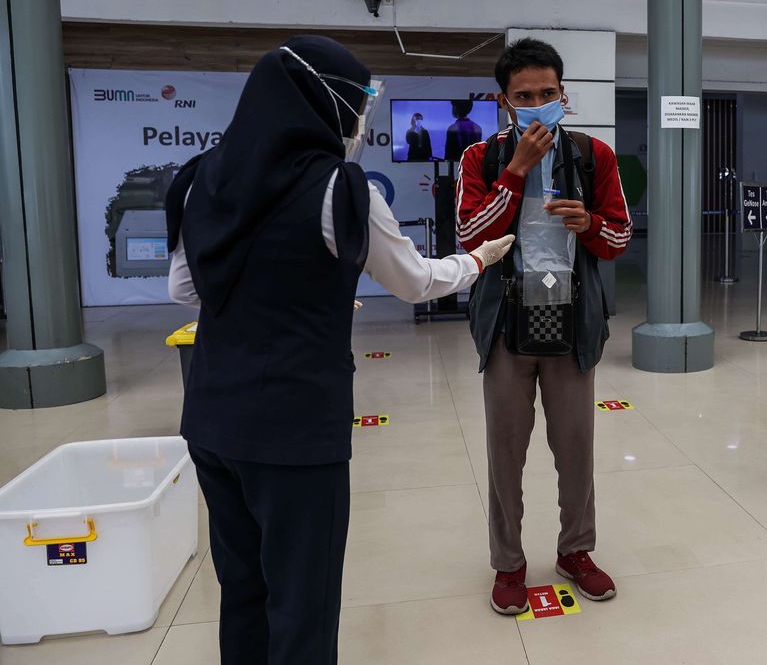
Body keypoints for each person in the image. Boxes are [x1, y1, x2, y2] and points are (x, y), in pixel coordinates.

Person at [165, 36, 513, 665]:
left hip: (212, 418)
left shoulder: (200, 180)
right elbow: (413, 282)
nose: (359, 124)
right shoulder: (340, 188)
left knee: (242, 590)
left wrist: (287, 297)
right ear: (325, 105)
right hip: (297, 429)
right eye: (359, 106)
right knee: (304, 602)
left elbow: (188, 288)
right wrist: (477, 260)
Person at [456, 37, 631, 615]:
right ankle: (508, 563)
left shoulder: (593, 155)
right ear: (505, 103)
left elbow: (619, 238)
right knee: (505, 452)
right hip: (508, 324)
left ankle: (576, 551)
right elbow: (470, 239)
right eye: (523, 96)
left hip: (572, 324)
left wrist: (588, 223)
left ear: (564, 94)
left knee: (576, 447)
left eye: (547, 93)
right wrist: (515, 172)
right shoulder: (479, 158)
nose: (537, 104)